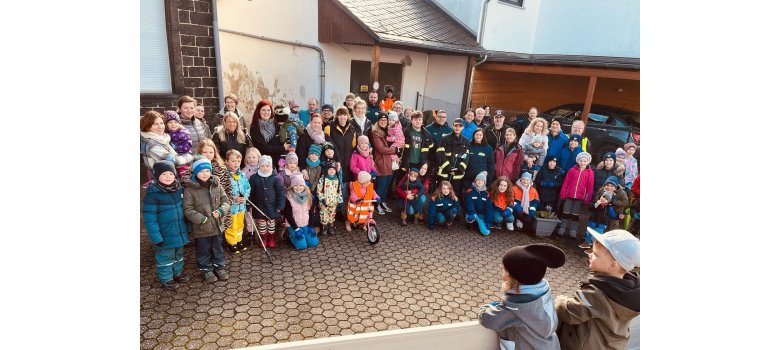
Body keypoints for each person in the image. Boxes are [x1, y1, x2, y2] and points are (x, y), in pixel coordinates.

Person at [555, 229, 640, 350]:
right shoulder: (631, 289)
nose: (590, 254)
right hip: (609, 344)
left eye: (595, 254)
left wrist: (560, 300)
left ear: (612, 265)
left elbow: (569, 312)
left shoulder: (596, 294)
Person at [479, 244, 566, 350]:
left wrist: (485, 309)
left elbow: (489, 320)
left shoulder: (516, 309)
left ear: (511, 277)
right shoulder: (543, 296)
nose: (502, 271)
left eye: (504, 269)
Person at [142, 160, 190, 289]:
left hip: (179, 232)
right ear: (157, 177)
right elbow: (149, 219)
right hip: (165, 234)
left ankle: (177, 274)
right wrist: (156, 237)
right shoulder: (153, 194)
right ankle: (166, 278)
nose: (168, 176)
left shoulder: (179, 190)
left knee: (178, 255)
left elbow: (185, 211)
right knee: (165, 257)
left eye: (171, 173)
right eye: (164, 174)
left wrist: (188, 228)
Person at [183, 159, 231, 283]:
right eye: (201, 171)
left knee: (218, 248)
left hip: (216, 226)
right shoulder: (190, 189)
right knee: (203, 249)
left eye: (207, 170)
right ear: (195, 173)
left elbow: (226, 201)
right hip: (201, 228)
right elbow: (187, 209)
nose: (205, 174)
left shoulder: (216, 185)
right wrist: (201, 219)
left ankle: (219, 266)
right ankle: (206, 269)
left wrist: (221, 211)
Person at [140, 111, 194, 184]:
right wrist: (190, 157)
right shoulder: (153, 145)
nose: (160, 127)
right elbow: (174, 161)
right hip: (162, 182)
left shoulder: (162, 139)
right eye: (155, 124)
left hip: (170, 179)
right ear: (148, 126)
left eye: (161, 123)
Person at [248, 155, 286, 248]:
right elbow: (251, 192)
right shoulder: (254, 178)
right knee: (261, 223)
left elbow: (281, 192)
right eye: (262, 166)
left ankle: (271, 238)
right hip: (259, 206)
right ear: (259, 166)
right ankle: (263, 238)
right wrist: (249, 203)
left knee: (271, 223)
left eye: (267, 166)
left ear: (271, 166)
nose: (265, 168)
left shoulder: (276, 178)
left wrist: (280, 205)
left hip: (272, 206)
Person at [558, 152, 595, 239]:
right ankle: (562, 228)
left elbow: (590, 187)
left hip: (580, 198)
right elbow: (566, 183)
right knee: (565, 213)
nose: (582, 163)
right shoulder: (572, 170)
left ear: (588, 162)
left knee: (575, 215)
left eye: (585, 161)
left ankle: (573, 231)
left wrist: (587, 198)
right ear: (578, 161)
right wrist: (563, 193)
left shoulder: (590, 173)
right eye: (581, 161)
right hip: (569, 196)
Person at [223, 150, 251, 253]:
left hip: (241, 207)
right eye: (233, 161)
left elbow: (247, 187)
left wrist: (245, 197)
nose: (236, 164)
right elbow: (223, 191)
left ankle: (239, 240)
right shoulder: (225, 176)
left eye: (238, 161)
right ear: (226, 161)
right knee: (232, 225)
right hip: (232, 208)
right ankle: (232, 242)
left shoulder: (242, 175)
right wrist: (234, 198)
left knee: (240, 224)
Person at [370, 112, 399, 215]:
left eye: (385, 120)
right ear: (378, 121)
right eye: (381, 120)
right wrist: (395, 151)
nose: (383, 122)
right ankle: (376, 204)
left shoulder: (388, 131)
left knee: (387, 185)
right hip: (381, 162)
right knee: (381, 185)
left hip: (389, 162)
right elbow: (381, 149)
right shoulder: (376, 133)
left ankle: (382, 201)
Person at [435, 117, 470, 200]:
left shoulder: (465, 141)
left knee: (455, 194)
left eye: (460, 126)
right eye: (456, 125)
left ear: (463, 127)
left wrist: (460, 169)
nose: (457, 128)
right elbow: (440, 155)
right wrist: (449, 168)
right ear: (452, 126)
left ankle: (452, 211)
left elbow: (466, 158)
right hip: (444, 174)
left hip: (457, 176)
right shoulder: (444, 139)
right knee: (441, 193)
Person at [250, 99, 291, 167]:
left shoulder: (276, 124)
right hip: (264, 163)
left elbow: (283, 139)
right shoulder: (255, 128)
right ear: (258, 111)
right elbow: (263, 148)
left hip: (279, 162)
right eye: (263, 110)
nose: (266, 112)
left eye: (268, 110)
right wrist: (283, 148)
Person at [283, 174, 319, 250]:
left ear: (304, 186)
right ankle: (289, 234)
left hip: (305, 224)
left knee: (314, 243)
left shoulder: (309, 196)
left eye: (301, 185)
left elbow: (311, 213)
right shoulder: (288, 198)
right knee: (302, 246)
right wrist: (296, 229)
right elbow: (288, 216)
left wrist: (311, 226)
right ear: (292, 186)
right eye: (295, 185)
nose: (298, 188)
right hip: (294, 225)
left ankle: (305, 235)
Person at [325, 106, 356, 184]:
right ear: (337, 116)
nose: (342, 117)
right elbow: (326, 145)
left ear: (348, 116)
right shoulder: (329, 127)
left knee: (345, 184)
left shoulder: (352, 129)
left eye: (345, 115)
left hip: (347, 163)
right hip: (333, 162)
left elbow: (353, 145)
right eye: (340, 115)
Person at [163, 111, 193, 177]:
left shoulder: (183, 132)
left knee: (183, 168)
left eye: (176, 122)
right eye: (170, 122)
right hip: (172, 156)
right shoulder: (166, 133)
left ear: (179, 123)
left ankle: (185, 178)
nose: (173, 124)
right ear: (166, 124)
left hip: (184, 154)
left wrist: (176, 148)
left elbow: (188, 144)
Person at [241, 147, 262, 241]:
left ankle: (261, 231)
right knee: (249, 215)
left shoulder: (263, 169)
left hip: (259, 196)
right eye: (249, 157)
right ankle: (251, 231)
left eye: (254, 157)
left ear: (258, 158)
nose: (251, 159)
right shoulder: (244, 171)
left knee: (259, 214)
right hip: (248, 197)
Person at [318, 161, 342, 235]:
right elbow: (319, 190)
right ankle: (324, 227)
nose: (331, 171)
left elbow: (339, 191)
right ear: (326, 170)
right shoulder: (323, 179)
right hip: (324, 202)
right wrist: (322, 199)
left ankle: (331, 226)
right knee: (324, 214)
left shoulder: (337, 180)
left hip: (333, 202)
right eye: (330, 169)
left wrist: (340, 200)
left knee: (332, 214)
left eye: (333, 169)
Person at [464, 171, 492, 236]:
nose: (480, 182)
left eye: (482, 180)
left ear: (484, 182)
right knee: (469, 218)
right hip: (472, 213)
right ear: (475, 181)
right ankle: (471, 223)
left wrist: (488, 221)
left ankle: (478, 223)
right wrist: (471, 213)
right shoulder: (470, 191)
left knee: (486, 232)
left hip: (481, 215)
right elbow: (469, 203)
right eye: (478, 180)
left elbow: (489, 208)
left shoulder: (486, 194)